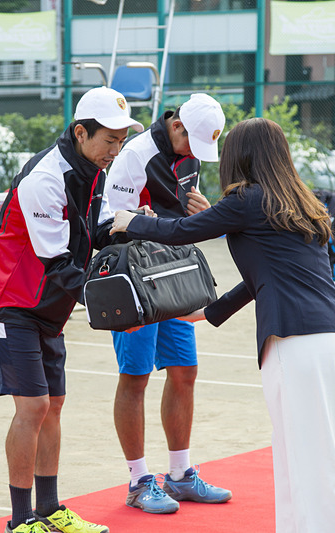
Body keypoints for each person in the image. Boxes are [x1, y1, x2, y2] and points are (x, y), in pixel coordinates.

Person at [110, 117, 335, 532]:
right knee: (306, 461)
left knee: (314, 469)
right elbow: (264, 273)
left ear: (239, 157)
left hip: (297, 341)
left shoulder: (247, 200)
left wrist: (130, 221)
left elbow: (180, 231)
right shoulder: (303, 203)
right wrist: (209, 313)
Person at [0, 86, 144, 533]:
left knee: (54, 406)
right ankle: (19, 521)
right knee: (33, 407)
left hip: (48, 309)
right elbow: (58, 264)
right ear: (80, 132)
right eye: (110, 140)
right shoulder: (45, 178)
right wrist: (114, 303)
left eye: (122, 141)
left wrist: (138, 229)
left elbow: (99, 231)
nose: (116, 150)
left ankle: (49, 511)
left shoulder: (93, 170)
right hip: (11, 303)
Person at [95, 93, 232, 514]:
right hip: (133, 281)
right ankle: (138, 482)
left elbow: (181, 218)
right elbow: (110, 225)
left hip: (174, 277)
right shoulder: (134, 154)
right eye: (192, 142)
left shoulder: (191, 155)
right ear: (176, 126)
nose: (196, 154)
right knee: (135, 378)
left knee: (184, 372)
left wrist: (204, 212)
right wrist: (149, 220)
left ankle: (180, 475)